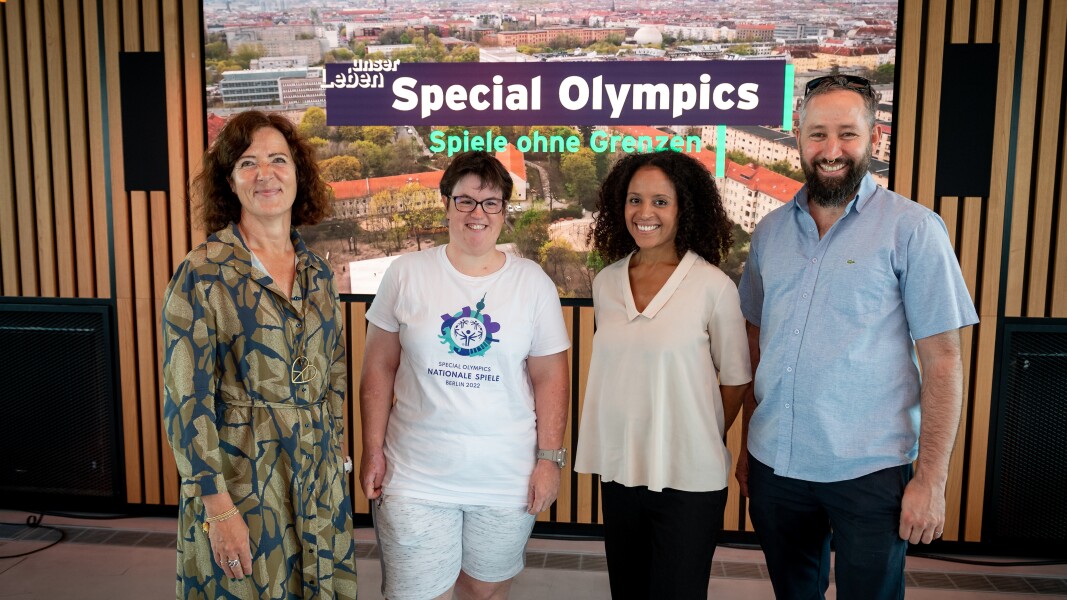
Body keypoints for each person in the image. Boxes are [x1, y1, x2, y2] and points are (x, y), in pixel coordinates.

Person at [736, 75, 980, 599]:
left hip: (870, 473)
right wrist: (746, 449)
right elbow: (756, 342)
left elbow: (942, 362)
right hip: (776, 465)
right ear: (798, 137)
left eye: (847, 134)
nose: (831, 150)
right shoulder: (770, 233)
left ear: (873, 139)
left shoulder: (914, 230)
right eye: (817, 133)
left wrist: (931, 480)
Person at [162, 110, 357, 599]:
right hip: (242, 481)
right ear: (230, 182)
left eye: (278, 160)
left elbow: (333, 373)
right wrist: (218, 508)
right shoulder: (202, 274)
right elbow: (187, 403)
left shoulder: (318, 274)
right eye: (248, 163)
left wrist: (335, 456)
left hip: (318, 481)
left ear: (298, 173)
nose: (265, 174)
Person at [359, 151, 571, 600]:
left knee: (482, 591)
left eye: (491, 202)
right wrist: (372, 450)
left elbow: (551, 376)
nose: (478, 213)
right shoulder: (405, 274)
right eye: (466, 201)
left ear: (504, 211)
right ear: (446, 204)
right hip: (415, 473)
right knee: (417, 593)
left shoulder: (532, 284)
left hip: (505, 476)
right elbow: (379, 366)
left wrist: (549, 460)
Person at [575, 151, 752, 599]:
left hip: (689, 478)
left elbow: (735, 380)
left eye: (660, 201)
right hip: (620, 472)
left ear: (684, 207)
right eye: (635, 200)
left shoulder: (714, 287)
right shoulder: (607, 282)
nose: (644, 213)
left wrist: (695, 433)